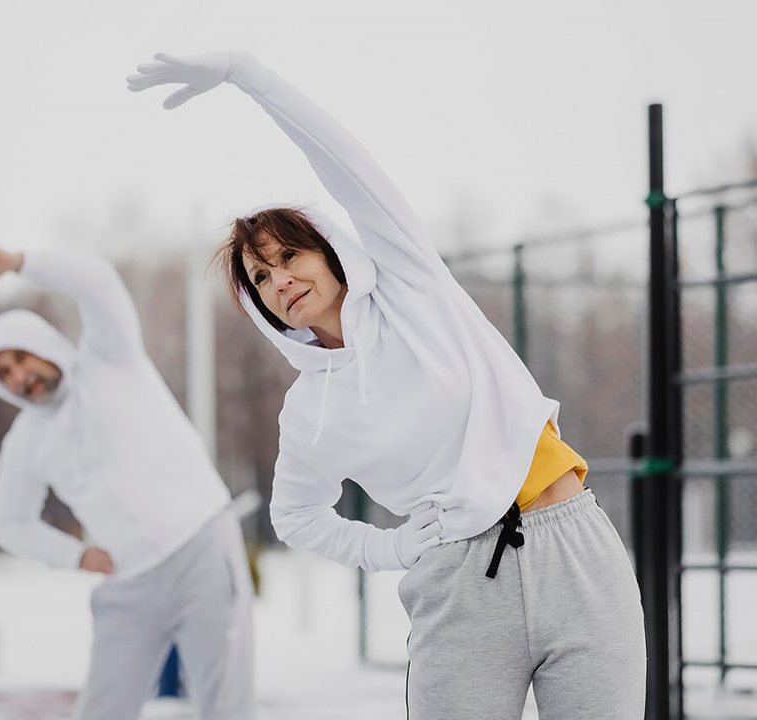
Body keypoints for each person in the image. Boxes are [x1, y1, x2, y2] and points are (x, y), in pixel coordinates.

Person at [128, 53, 646, 719]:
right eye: (259, 278)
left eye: (289, 256)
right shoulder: (310, 409)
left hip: (574, 554)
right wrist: (392, 547)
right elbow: (295, 516)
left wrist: (248, 76)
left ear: (331, 251)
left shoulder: (413, 290)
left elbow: (345, 164)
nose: (279, 280)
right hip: (460, 587)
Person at [0, 240, 255, 720]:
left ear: (42, 345)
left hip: (201, 547)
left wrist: (17, 264)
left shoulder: (108, 358)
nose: (18, 376)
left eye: (20, 358)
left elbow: (97, 282)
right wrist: (75, 555)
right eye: (5, 373)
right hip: (128, 584)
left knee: (227, 706)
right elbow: (7, 522)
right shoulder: (24, 441)